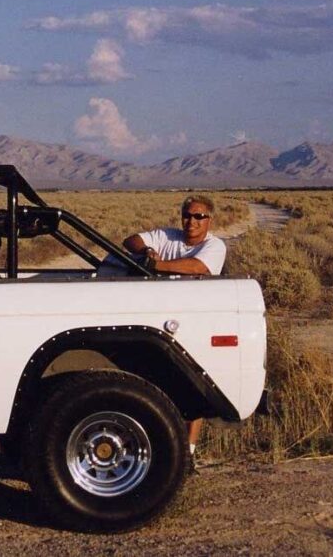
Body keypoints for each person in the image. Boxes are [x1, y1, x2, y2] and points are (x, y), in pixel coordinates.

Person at [122, 194, 227, 470]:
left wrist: (155, 266)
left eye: (199, 216)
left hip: (193, 319)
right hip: (158, 318)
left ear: (209, 220)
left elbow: (198, 268)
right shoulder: (166, 236)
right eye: (187, 215)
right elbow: (131, 240)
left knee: (192, 386)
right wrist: (144, 251)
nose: (191, 222)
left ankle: (188, 454)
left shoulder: (214, 246)